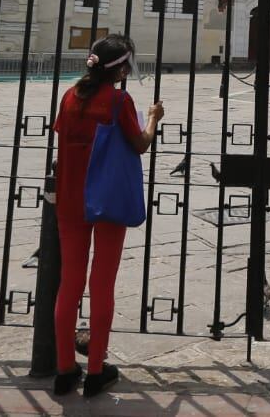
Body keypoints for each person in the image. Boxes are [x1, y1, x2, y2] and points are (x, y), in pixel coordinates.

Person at [51, 34, 163, 397]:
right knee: (102, 284)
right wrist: (153, 118)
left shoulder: (70, 96)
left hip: (70, 201)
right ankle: (96, 370)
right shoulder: (118, 100)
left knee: (69, 284)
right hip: (107, 202)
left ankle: (65, 368)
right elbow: (140, 144)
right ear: (122, 69)